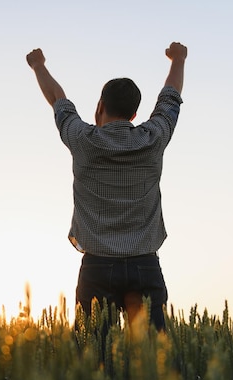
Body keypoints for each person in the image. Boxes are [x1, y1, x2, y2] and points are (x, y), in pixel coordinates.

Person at [26, 42, 187, 331]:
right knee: (154, 364)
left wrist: (38, 65)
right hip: (145, 265)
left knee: (93, 362)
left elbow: (57, 99)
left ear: (100, 106)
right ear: (135, 115)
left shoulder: (82, 139)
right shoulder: (154, 138)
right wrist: (178, 59)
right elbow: (171, 98)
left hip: (97, 268)